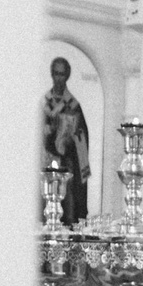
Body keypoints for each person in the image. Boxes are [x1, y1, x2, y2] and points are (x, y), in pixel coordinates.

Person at [41, 56, 91, 226]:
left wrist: (71, 139)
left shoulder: (73, 106)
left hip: (67, 164)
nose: (58, 78)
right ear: (51, 75)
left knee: (69, 201)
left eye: (62, 74)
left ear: (67, 76)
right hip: (45, 163)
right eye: (55, 73)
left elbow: (82, 142)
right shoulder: (44, 104)